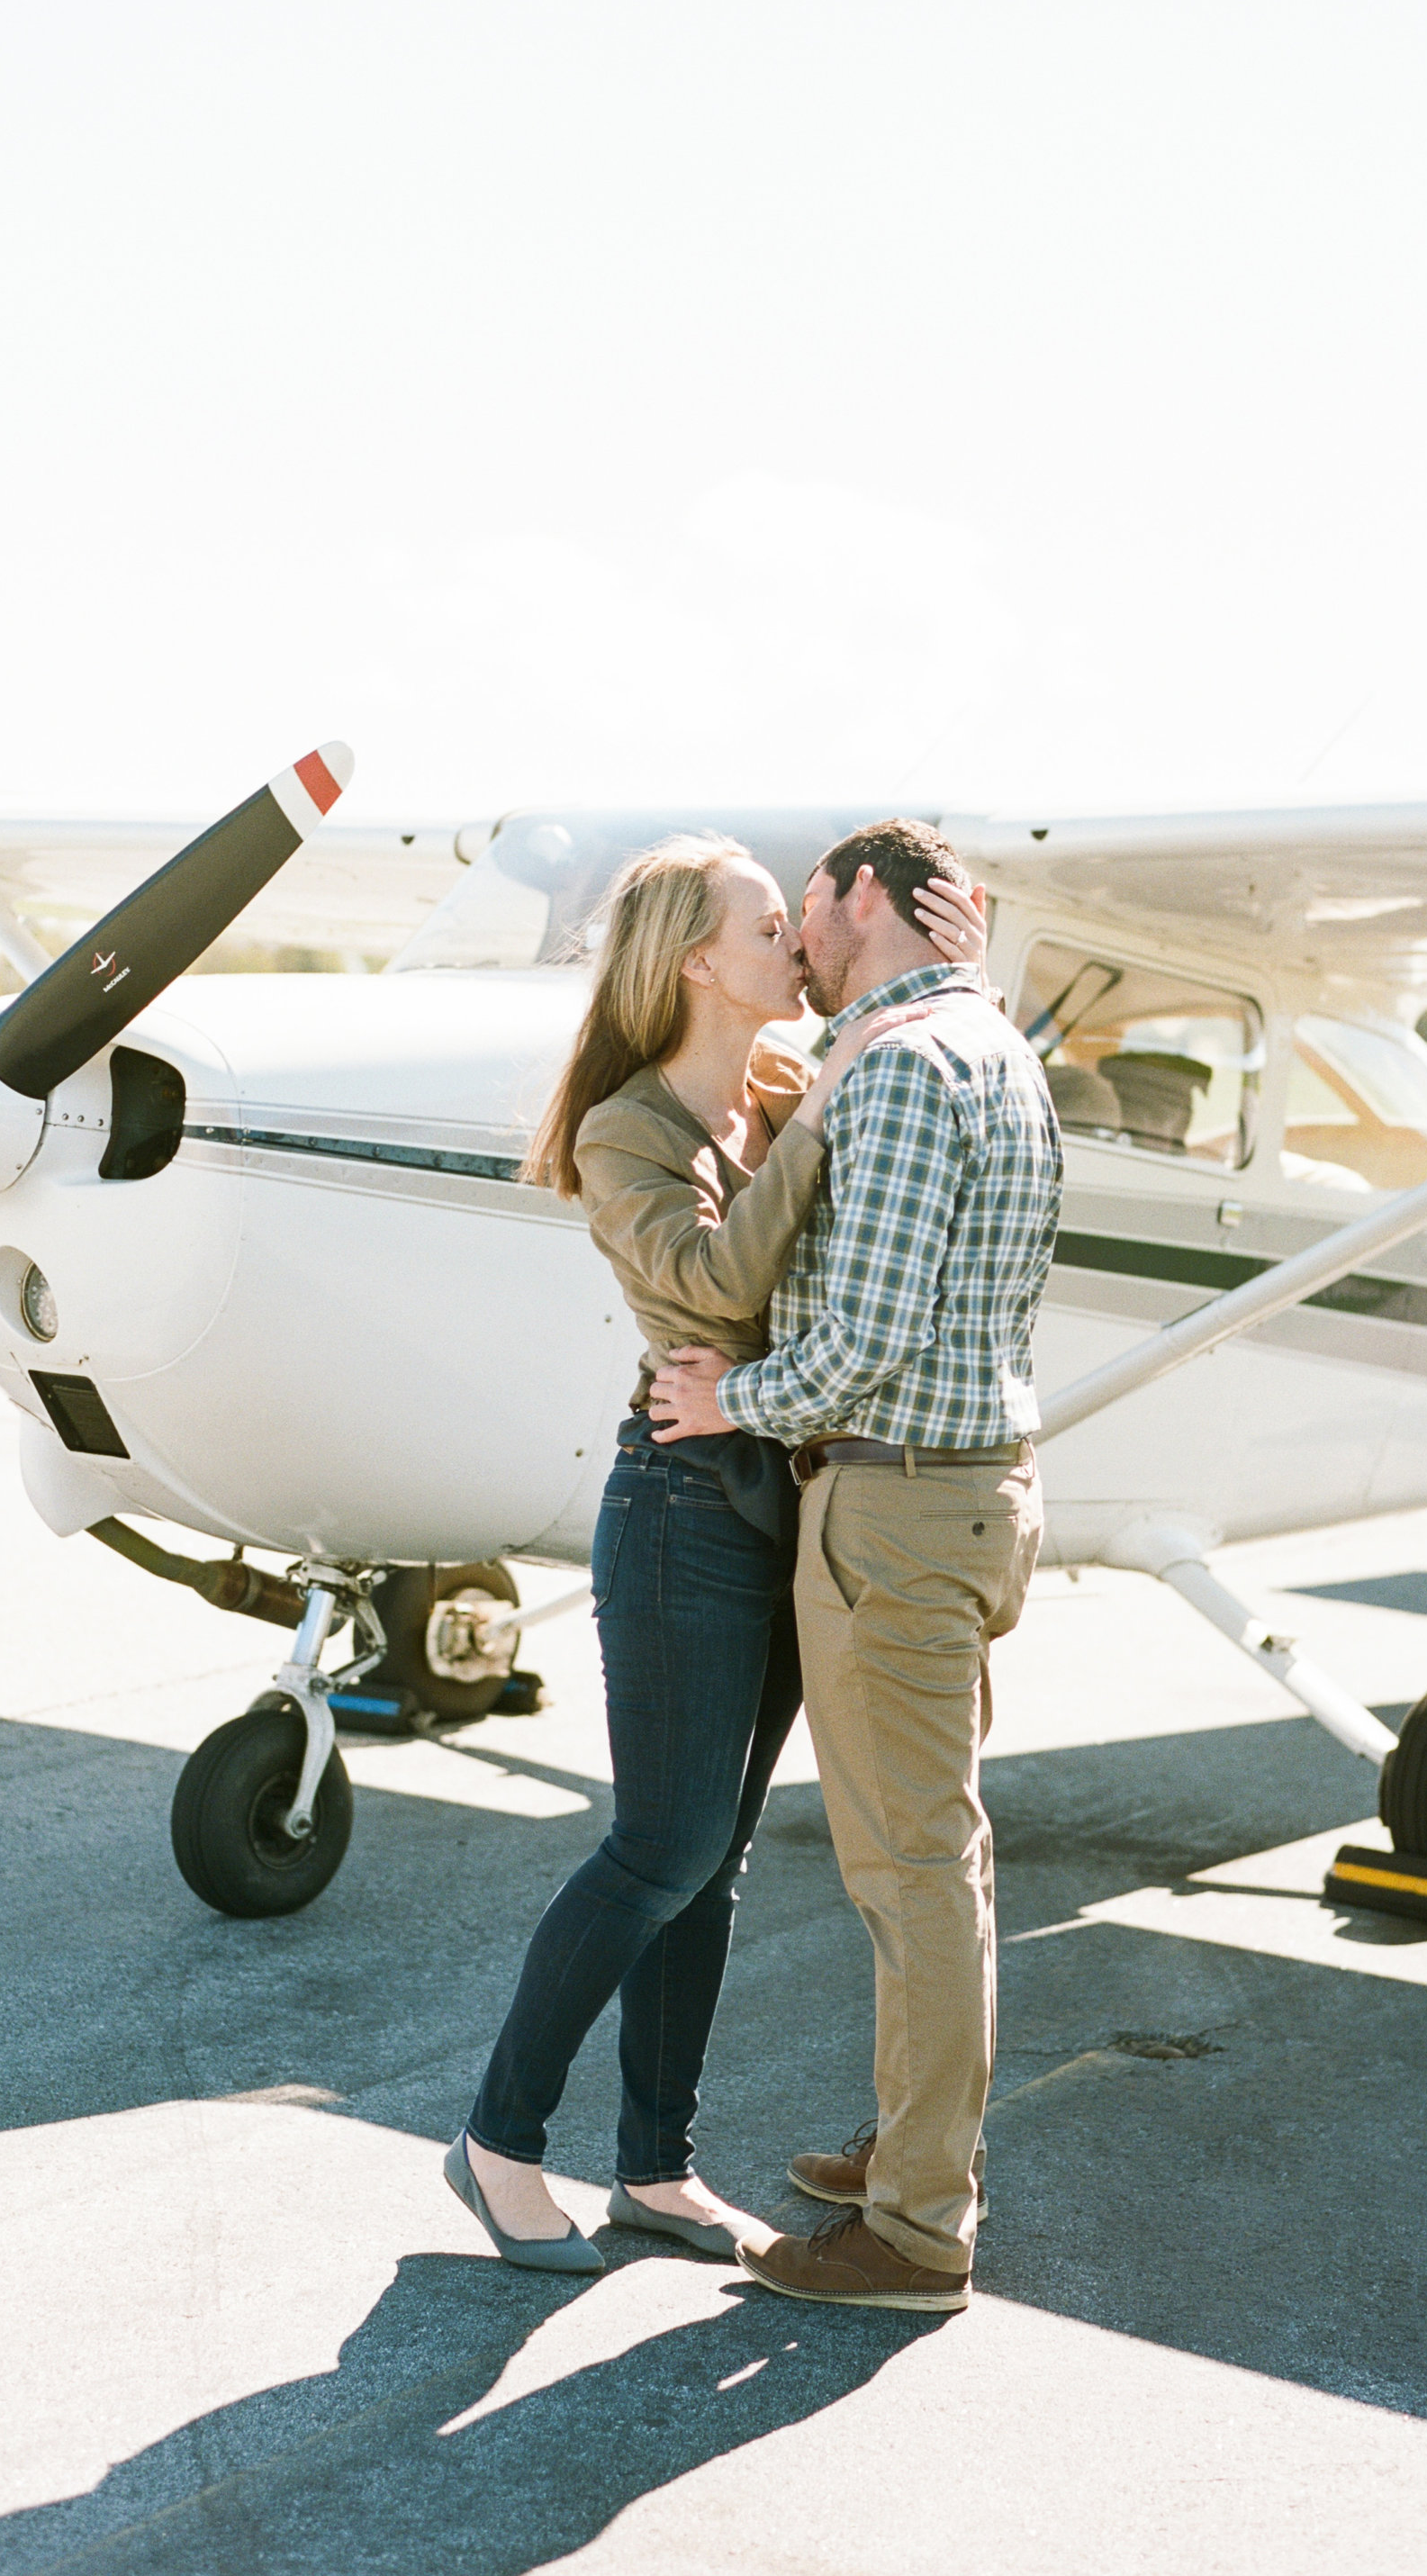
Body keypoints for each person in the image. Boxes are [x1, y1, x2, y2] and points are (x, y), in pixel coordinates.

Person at [446, 832, 988, 2274]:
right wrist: (825, 1110)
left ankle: (657, 2168)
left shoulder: (773, 1088)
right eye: (766, 924)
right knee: (660, 1844)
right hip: (682, 1508)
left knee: (717, 1859)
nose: (794, 945)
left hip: (784, 1501)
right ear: (696, 958)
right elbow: (710, 1282)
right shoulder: (632, 1127)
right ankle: (500, 2139)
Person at [650, 818, 1062, 2314]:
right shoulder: (985, 1041)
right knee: (927, 1861)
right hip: (970, 1498)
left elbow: (867, 1337)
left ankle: (916, 2227)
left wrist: (721, 1400)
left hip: (893, 1508)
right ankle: (914, 2141)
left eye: (809, 911)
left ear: (861, 898)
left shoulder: (892, 1073)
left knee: (911, 1869)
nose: (798, 942)